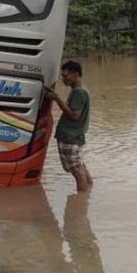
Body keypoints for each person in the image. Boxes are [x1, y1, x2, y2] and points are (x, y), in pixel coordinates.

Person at [46, 60, 92, 192]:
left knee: (78, 173)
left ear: (76, 74)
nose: (63, 78)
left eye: (66, 75)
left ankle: (81, 204)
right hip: (74, 136)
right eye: (62, 75)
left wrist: (56, 98)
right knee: (81, 168)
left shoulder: (79, 92)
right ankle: (87, 196)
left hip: (70, 137)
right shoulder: (79, 90)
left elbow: (74, 115)